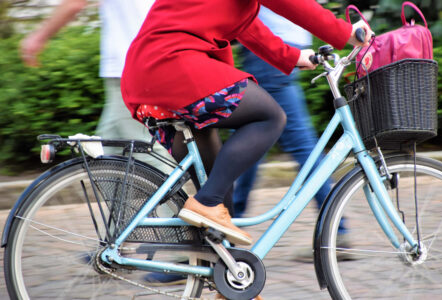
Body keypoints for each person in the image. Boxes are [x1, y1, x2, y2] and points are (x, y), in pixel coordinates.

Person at [121, 0, 373, 247]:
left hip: (152, 72)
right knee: (269, 117)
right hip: (171, 66)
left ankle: (225, 278)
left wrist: (292, 56)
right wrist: (344, 32)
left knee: (219, 192)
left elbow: (245, 23)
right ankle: (206, 204)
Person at [19, 0, 171, 170]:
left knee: (143, 151)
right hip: (129, 67)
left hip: (133, 67)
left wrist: (38, 37)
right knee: (107, 156)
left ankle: (184, 197)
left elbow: (74, 3)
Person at [233, 6, 332, 218]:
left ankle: (229, 218)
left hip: (269, 49)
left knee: (256, 140)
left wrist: (342, 33)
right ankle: (228, 217)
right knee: (254, 140)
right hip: (282, 47)